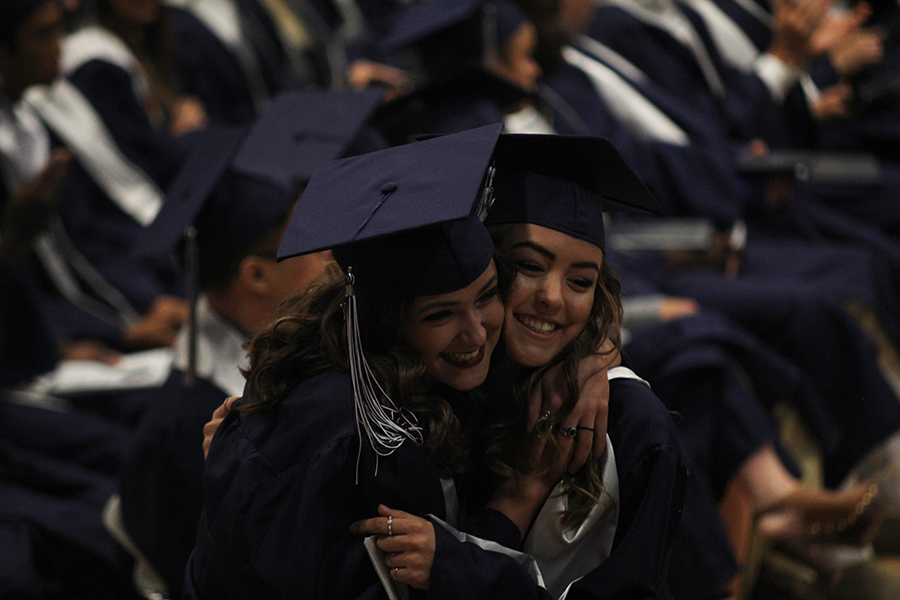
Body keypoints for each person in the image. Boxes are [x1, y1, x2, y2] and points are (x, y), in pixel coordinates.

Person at [185, 124, 590, 599]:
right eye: (440, 314)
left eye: (487, 296)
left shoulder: (319, 352)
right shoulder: (374, 444)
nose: (476, 332)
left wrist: (593, 356)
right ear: (389, 322)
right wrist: (515, 503)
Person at [113, 89, 383, 598]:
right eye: (309, 238)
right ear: (257, 274)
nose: (330, 252)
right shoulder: (186, 428)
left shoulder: (304, 338)